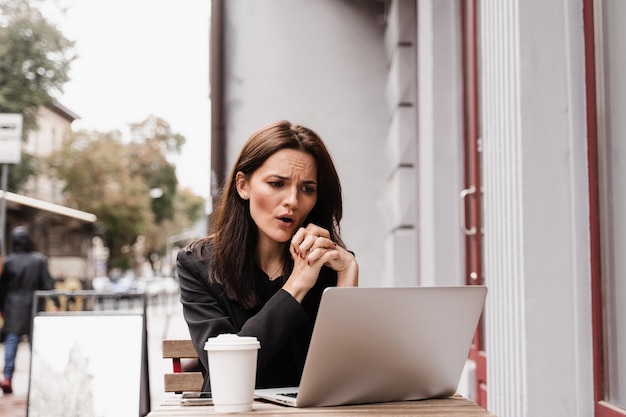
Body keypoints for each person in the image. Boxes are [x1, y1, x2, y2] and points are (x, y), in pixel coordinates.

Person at [177, 120, 359, 391]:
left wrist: (347, 276)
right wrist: (296, 286)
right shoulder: (198, 265)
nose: (293, 201)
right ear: (243, 185)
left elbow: (343, 377)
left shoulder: (328, 263)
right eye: (277, 183)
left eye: (307, 189)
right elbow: (227, 371)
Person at [0, 226, 59, 394]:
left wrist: (1, 308)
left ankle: (7, 377)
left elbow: (2, 288)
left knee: (11, 343)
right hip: (33, 307)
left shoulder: (9, 262)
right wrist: (55, 302)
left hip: (12, 308)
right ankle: (41, 376)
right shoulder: (38, 260)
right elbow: (47, 283)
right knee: (37, 344)